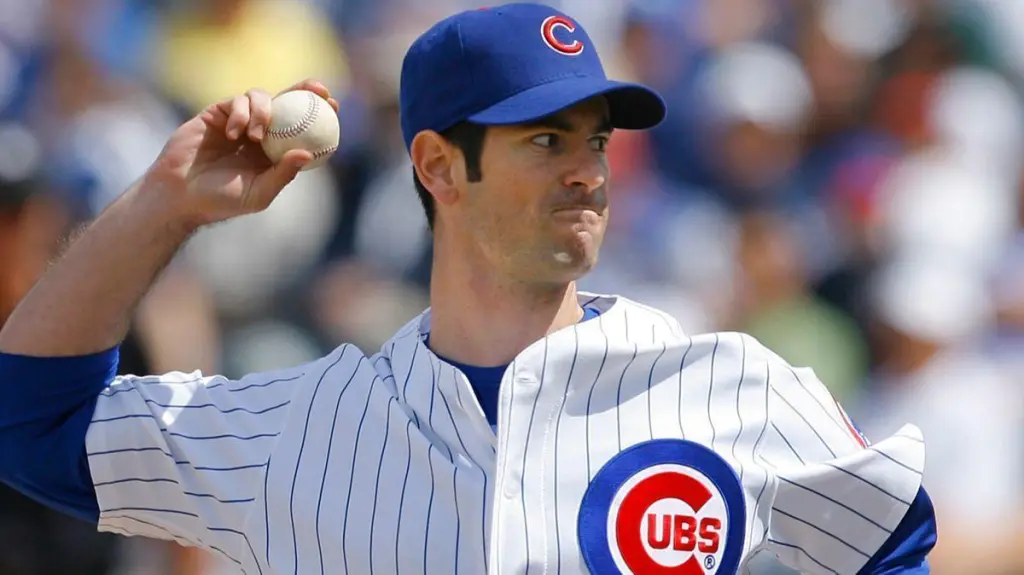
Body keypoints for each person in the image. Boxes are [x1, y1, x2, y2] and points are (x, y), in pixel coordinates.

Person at [0, 4, 935, 574]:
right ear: (438, 167)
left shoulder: (734, 386)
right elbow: (29, 424)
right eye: (545, 139)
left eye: (595, 139)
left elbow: (894, 540)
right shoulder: (303, 429)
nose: (587, 171)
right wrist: (165, 206)